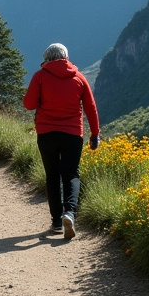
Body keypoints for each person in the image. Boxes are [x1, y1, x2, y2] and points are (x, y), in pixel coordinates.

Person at [23, 42, 99, 239]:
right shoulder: (79, 77)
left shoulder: (40, 76)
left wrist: (42, 99)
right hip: (73, 135)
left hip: (46, 134)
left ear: (46, 58)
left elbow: (29, 104)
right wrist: (95, 134)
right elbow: (91, 108)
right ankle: (70, 213)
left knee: (52, 175)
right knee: (71, 174)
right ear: (66, 57)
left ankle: (56, 222)